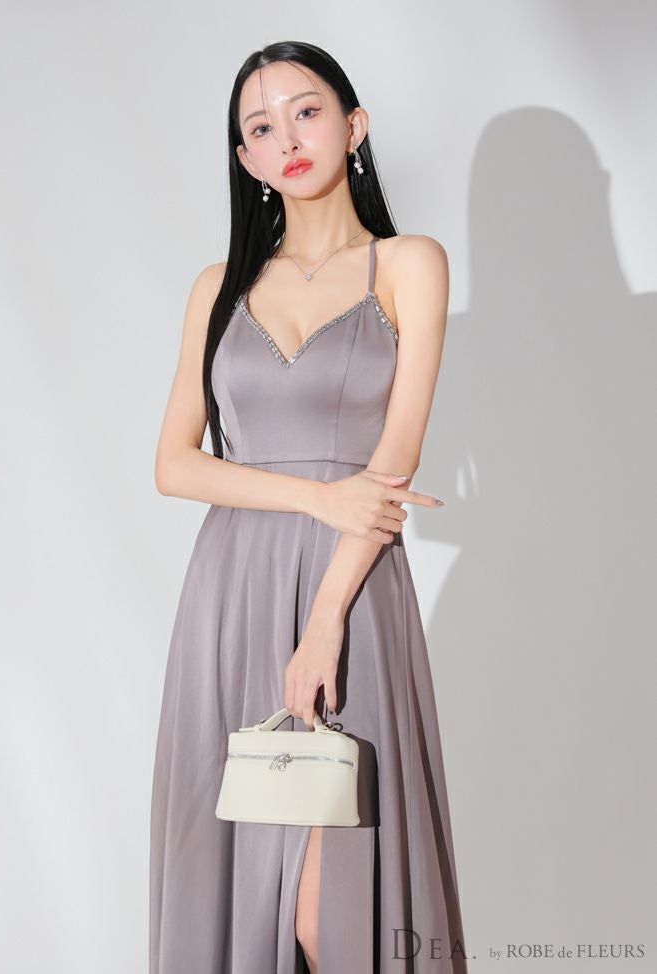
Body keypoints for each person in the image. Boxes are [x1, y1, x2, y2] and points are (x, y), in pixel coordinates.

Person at [149, 40, 468, 974]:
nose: (286, 139)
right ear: (244, 158)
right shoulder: (218, 288)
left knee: (333, 914)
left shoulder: (408, 265)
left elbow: (394, 461)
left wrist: (325, 621)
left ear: (353, 125)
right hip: (230, 596)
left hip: (352, 589)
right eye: (261, 127)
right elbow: (174, 464)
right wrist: (317, 495)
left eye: (307, 112)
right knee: (244, 885)